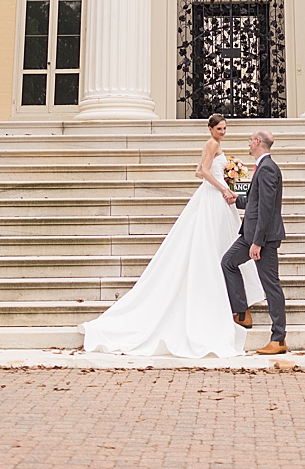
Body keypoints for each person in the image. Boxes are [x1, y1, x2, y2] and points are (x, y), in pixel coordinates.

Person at [82, 114, 264, 357]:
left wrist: (227, 174)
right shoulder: (211, 144)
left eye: (225, 128)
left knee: (223, 240)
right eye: (219, 128)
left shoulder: (215, 145)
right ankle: (229, 304)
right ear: (210, 129)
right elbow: (205, 172)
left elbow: (198, 171)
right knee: (215, 242)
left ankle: (237, 304)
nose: (223, 132)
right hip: (214, 197)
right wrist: (223, 186)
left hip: (216, 196)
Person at [222, 128, 288, 354]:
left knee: (271, 285)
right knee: (229, 262)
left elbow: (267, 209)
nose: (249, 144)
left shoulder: (268, 168)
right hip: (249, 234)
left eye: (251, 140)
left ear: (258, 141)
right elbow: (254, 200)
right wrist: (235, 199)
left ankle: (278, 338)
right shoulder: (262, 167)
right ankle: (242, 312)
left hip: (264, 238)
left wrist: (258, 242)